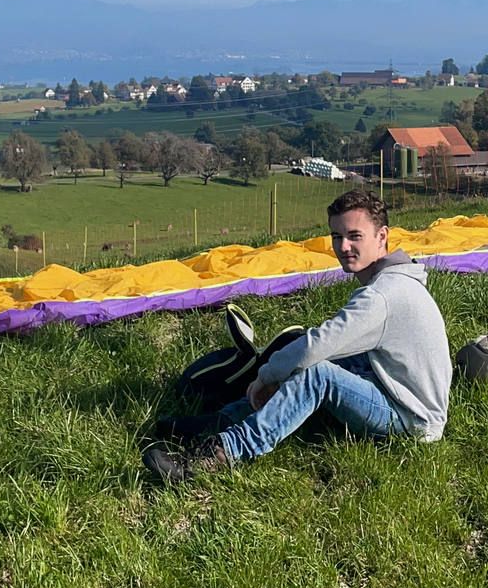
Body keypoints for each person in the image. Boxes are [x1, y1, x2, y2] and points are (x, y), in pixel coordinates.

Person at [144, 189, 452, 484]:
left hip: (412, 419)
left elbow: (316, 347)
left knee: (317, 372)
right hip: (396, 388)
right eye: (336, 236)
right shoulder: (396, 282)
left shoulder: (383, 295)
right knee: (313, 358)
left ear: (382, 236)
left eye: (354, 236)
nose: (343, 246)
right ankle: (223, 421)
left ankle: (222, 454)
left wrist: (266, 375)